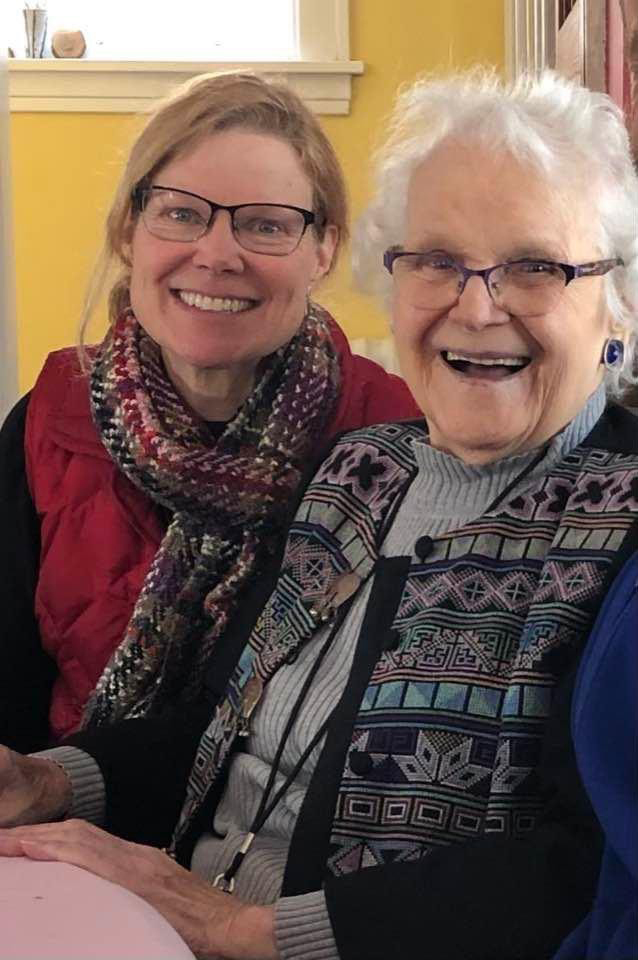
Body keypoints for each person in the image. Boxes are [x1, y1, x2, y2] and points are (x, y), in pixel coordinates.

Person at [1, 68, 638, 960]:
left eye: (536, 267)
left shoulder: (624, 526)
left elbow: (592, 867)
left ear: (619, 303)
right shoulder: (359, 470)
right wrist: (48, 782)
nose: (477, 305)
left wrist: (248, 929)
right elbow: (220, 727)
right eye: (438, 261)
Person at [0, 72, 419, 754]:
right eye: (181, 213)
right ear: (130, 231)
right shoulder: (52, 413)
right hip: (55, 829)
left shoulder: (393, 436)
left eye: (265, 225)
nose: (219, 255)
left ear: (324, 250)